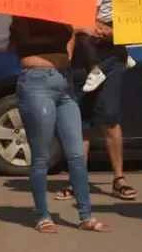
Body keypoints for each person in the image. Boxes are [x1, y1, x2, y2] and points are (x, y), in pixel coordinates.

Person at [10, 13, 110, 234]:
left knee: (76, 154)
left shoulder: (59, 10)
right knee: (41, 155)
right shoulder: (22, 14)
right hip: (36, 83)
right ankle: (43, 215)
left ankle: (86, 216)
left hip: (63, 82)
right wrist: (75, 25)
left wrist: (76, 30)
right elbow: (27, 42)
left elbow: (68, 46)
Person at [55, 0, 137, 202]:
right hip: (78, 63)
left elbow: (135, 22)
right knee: (80, 124)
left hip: (110, 61)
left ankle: (119, 179)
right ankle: (77, 180)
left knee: (109, 120)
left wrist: (107, 31)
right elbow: (60, 22)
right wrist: (82, 26)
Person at [77, 0, 135, 93]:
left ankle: (94, 71)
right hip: (113, 22)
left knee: (86, 39)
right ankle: (125, 56)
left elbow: (91, 14)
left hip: (101, 23)